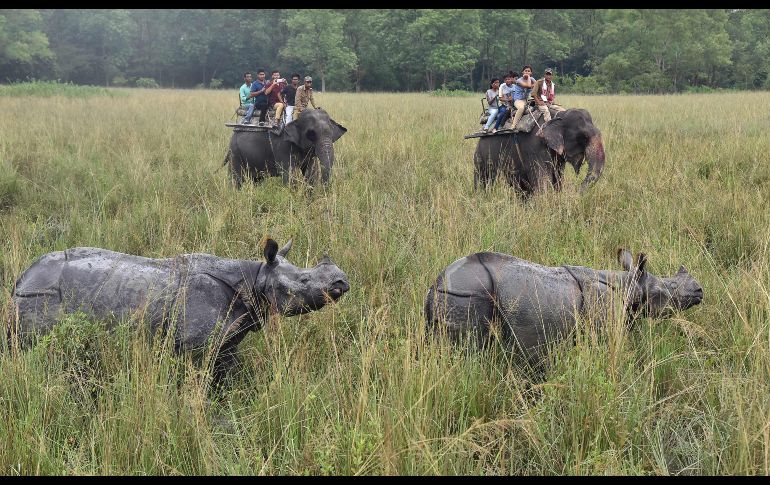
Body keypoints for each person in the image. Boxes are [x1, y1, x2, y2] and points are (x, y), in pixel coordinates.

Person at [511, 65, 535, 131]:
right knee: (521, 108)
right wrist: (529, 78)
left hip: (527, 100)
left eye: (529, 71)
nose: (527, 72)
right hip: (518, 100)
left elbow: (537, 86)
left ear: (531, 73)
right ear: (522, 72)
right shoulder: (519, 80)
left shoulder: (532, 79)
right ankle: (513, 125)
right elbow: (528, 86)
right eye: (526, 71)